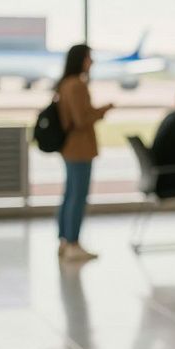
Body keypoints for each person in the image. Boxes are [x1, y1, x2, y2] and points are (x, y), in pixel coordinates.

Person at [55, 44, 113, 262]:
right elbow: (81, 120)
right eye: (90, 57)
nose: (92, 62)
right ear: (81, 59)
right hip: (79, 147)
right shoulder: (77, 85)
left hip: (69, 147)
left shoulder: (64, 84)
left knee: (69, 195)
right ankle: (73, 242)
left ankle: (64, 240)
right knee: (77, 197)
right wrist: (101, 111)